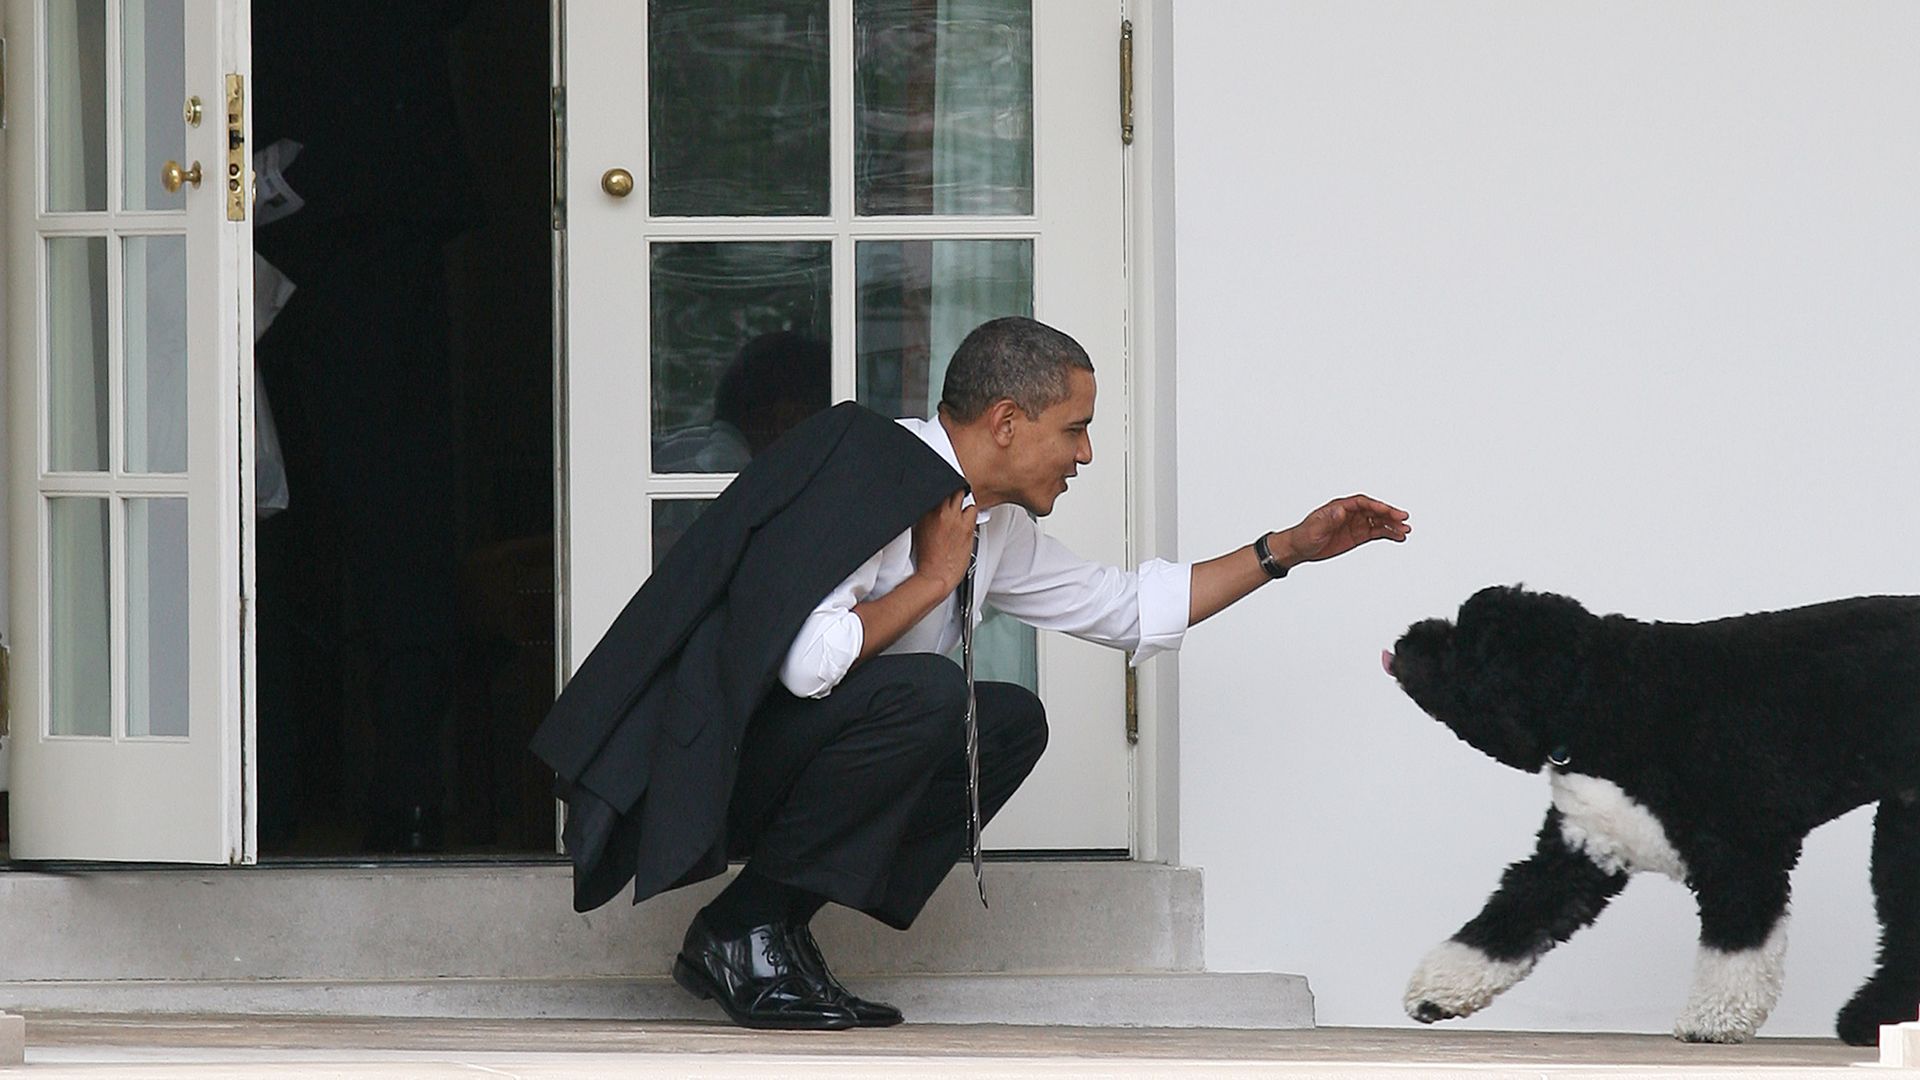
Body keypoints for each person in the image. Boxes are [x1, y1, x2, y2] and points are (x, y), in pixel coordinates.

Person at [532, 316, 1410, 1030]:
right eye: (1075, 429)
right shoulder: (868, 472)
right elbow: (802, 665)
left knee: (1009, 719)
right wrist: (931, 581)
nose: (1086, 455)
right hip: (712, 769)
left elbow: (1128, 607)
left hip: (799, 759)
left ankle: (761, 925)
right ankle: (747, 929)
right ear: (1005, 422)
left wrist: (1288, 549)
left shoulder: (990, 522)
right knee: (930, 695)